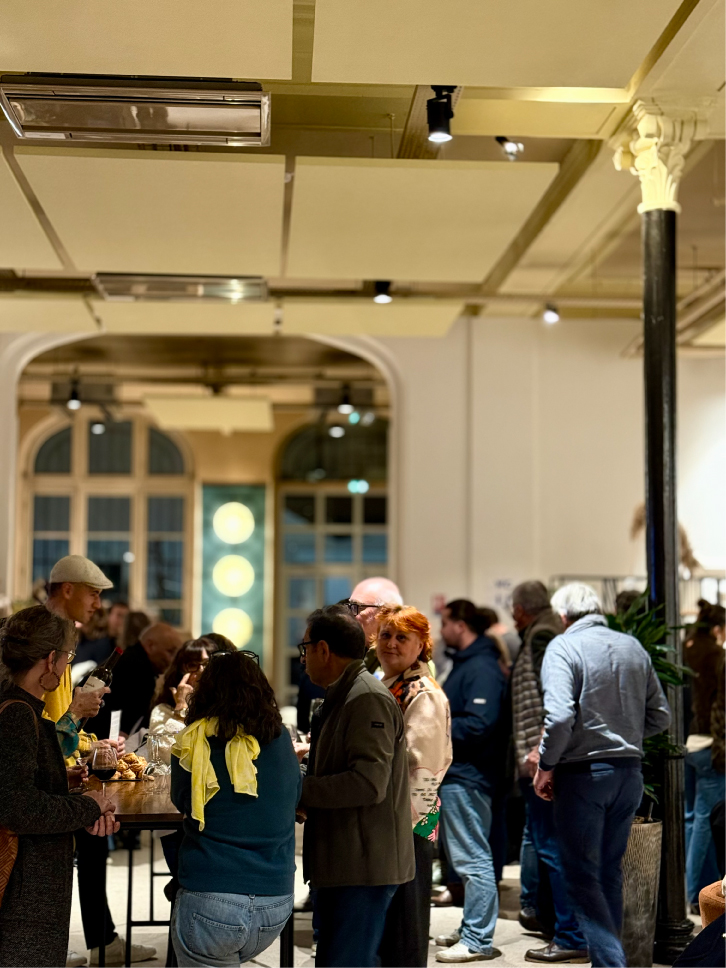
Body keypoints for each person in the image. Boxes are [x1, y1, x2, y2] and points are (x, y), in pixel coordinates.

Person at [534, 583, 671, 968]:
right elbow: (661, 716)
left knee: (580, 877)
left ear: (563, 615)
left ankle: (611, 964)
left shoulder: (563, 647)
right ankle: (606, 962)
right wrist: (623, 735)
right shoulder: (632, 647)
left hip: (583, 776)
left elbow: (559, 717)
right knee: (608, 872)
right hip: (628, 774)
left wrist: (546, 765)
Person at [46, 556, 154, 968]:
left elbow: (56, 721)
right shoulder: (45, 638)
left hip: (61, 765)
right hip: (42, 771)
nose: (98, 604)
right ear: (67, 589)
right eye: (93, 594)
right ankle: (62, 945)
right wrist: (77, 717)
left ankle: (98, 941)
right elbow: (41, 723)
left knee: (90, 839)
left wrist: (91, 743)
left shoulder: (62, 636)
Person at [0, 606, 119, 968]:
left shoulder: (20, 707)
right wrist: (89, 805)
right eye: (67, 657)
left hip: (30, 890)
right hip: (25, 894)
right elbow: (19, 807)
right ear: (51, 660)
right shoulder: (18, 713)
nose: (68, 665)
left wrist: (60, 782)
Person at [298, 605, 414, 968]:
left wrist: (299, 791)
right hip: (346, 859)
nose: (302, 658)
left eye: (305, 649)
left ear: (323, 650)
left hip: (363, 865)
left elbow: (367, 784)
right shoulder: (345, 693)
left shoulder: (365, 697)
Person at [170, 650, 301, 967]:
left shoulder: (194, 741)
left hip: (211, 896)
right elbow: (295, 795)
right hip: (276, 901)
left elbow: (183, 801)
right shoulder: (280, 738)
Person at [509, 581, 587, 964]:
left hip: (543, 761)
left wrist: (542, 753)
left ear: (521, 609)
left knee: (553, 847)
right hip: (545, 758)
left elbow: (555, 700)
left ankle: (570, 935)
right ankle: (561, 927)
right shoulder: (544, 632)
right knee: (549, 845)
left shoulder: (543, 636)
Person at [375, 605, 452, 968]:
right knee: (388, 926)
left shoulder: (424, 693)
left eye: (401, 637)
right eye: (385, 635)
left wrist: (403, 829)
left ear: (421, 645)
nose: (391, 643)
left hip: (408, 824)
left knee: (405, 927)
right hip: (389, 823)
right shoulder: (390, 682)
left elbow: (423, 771)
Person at [434, 600, 509, 963]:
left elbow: (480, 724)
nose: (441, 630)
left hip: (469, 777)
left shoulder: (481, 667)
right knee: (465, 859)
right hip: (460, 775)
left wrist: (432, 726)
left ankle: (478, 938)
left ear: (460, 625)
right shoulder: (469, 663)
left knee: (473, 859)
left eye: (444, 622)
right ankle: (471, 928)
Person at [684, 604, 726, 908]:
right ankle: (694, 893)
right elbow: (719, 707)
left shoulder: (685, 648)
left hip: (688, 742)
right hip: (710, 745)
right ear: (717, 629)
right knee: (705, 820)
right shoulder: (715, 655)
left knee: (693, 818)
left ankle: (694, 888)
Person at [96, 622, 183, 739]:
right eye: (170, 652)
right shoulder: (140, 670)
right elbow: (124, 731)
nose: (171, 660)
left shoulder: (129, 657)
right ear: (150, 645)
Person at [149, 639, 209, 734]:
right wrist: (181, 709)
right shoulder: (163, 711)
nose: (201, 671)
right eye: (193, 665)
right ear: (181, 672)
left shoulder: (224, 708)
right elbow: (163, 744)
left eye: (207, 664)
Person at [73, 601, 129, 669]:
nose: (122, 620)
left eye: (126, 617)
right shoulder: (96, 641)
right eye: (119, 615)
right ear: (109, 615)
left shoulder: (118, 644)